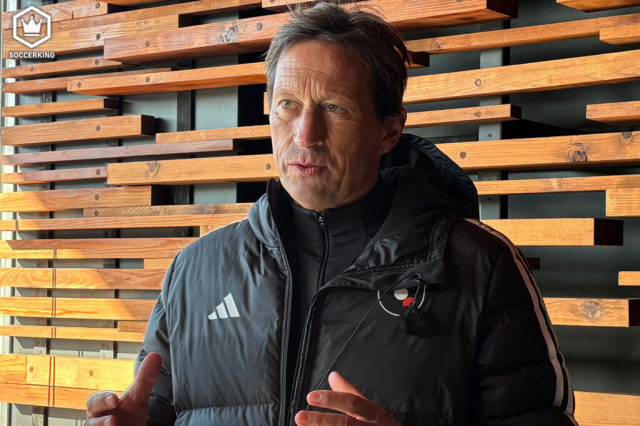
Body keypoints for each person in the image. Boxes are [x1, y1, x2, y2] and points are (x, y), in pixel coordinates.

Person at [87, 2, 577, 425]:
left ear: (389, 130)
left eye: (335, 108)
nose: (305, 135)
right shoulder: (195, 270)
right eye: (287, 105)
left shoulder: (480, 266)